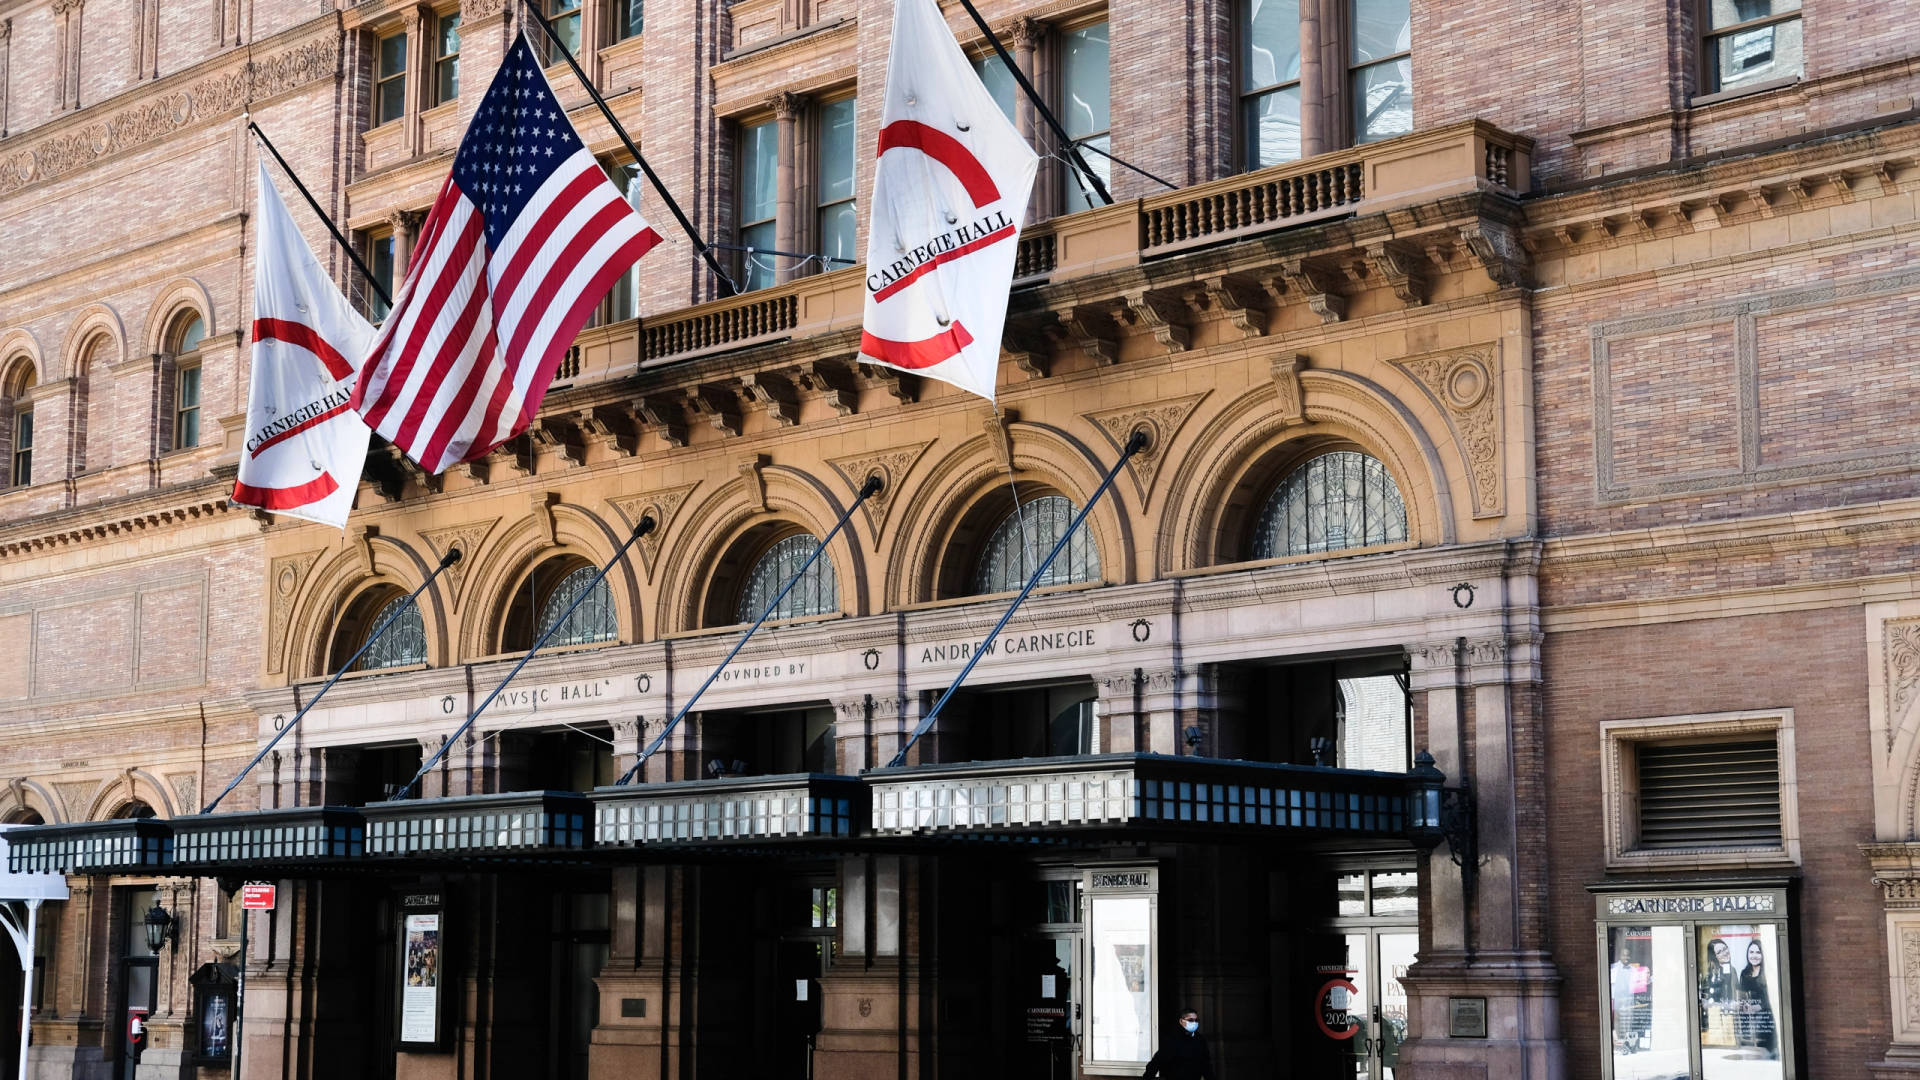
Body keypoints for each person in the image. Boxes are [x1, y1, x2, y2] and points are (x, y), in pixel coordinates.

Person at [1142, 1008, 1213, 1079]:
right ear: (1181, 1021)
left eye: (1196, 1020)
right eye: (1190, 1020)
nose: (1194, 1023)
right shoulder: (1172, 1039)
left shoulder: (1200, 1040)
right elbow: (1157, 1061)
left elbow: (1206, 1065)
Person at [1736, 940, 1777, 1054]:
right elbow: (1742, 994)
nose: (1754, 955)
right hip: (1748, 1015)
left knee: (1760, 1037)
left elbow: (1773, 997)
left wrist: (1758, 1007)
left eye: (1758, 952)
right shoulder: (1744, 973)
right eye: (1751, 952)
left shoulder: (1768, 972)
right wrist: (1743, 1004)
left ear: (1763, 955)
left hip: (1765, 1014)